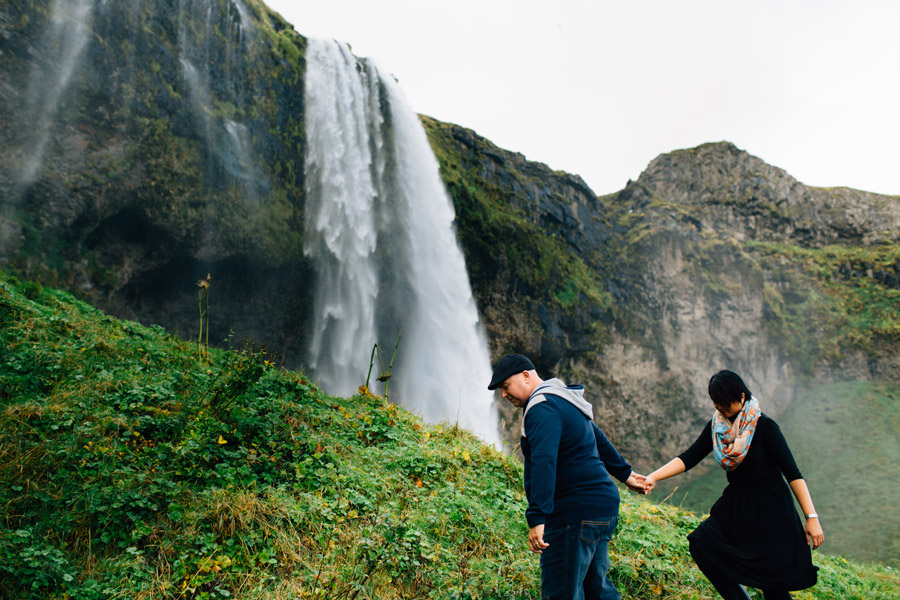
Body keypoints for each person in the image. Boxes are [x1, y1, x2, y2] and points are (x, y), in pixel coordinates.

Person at [642, 370, 823, 600]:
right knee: (702, 545)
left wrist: (812, 517)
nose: (721, 410)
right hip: (738, 507)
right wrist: (654, 477)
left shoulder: (765, 427)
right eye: (717, 405)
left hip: (772, 513)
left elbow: (793, 474)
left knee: (773, 586)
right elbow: (689, 457)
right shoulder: (717, 427)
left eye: (726, 405)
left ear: (742, 398)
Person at [488, 353, 646, 600]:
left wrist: (537, 515)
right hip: (601, 507)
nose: (504, 396)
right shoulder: (563, 399)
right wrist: (624, 474)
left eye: (506, 387)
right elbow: (596, 436)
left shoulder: (541, 407)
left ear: (526, 376)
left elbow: (544, 460)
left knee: (562, 592)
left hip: (573, 513)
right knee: (596, 589)